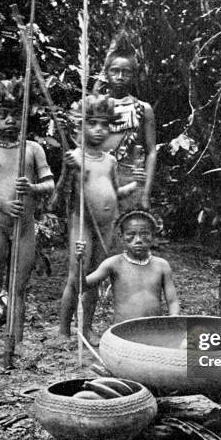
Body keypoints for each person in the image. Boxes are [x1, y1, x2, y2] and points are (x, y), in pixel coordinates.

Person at [0, 78, 54, 364]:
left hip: (24, 227)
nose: (9, 119)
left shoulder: (32, 149)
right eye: (2, 114)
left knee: (19, 288)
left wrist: (32, 189)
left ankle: (13, 344)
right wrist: (1, 203)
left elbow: (49, 183)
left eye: (15, 113)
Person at [59, 94, 138, 345]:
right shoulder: (75, 157)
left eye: (104, 125)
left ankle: (87, 327)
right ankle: (63, 330)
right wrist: (68, 171)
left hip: (107, 224)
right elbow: (61, 196)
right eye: (92, 123)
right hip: (82, 222)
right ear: (80, 126)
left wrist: (135, 185)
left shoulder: (111, 161)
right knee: (77, 276)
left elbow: (114, 192)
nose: (99, 130)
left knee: (95, 276)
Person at [75, 209, 180, 324]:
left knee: (193, 337)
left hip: (153, 330)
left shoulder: (162, 265)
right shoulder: (113, 263)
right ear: (121, 237)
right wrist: (79, 263)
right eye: (131, 234)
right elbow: (81, 285)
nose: (138, 240)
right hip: (123, 331)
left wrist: (173, 320)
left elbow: (172, 301)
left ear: (153, 236)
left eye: (144, 234)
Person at [93, 32, 156, 210]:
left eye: (126, 72)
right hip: (99, 178)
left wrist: (146, 193)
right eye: (115, 71)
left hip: (131, 179)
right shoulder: (97, 105)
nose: (120, 77)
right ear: (107, 73)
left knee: (128, 230)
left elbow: (151, 152)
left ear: (134, 75)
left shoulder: (144, 109)